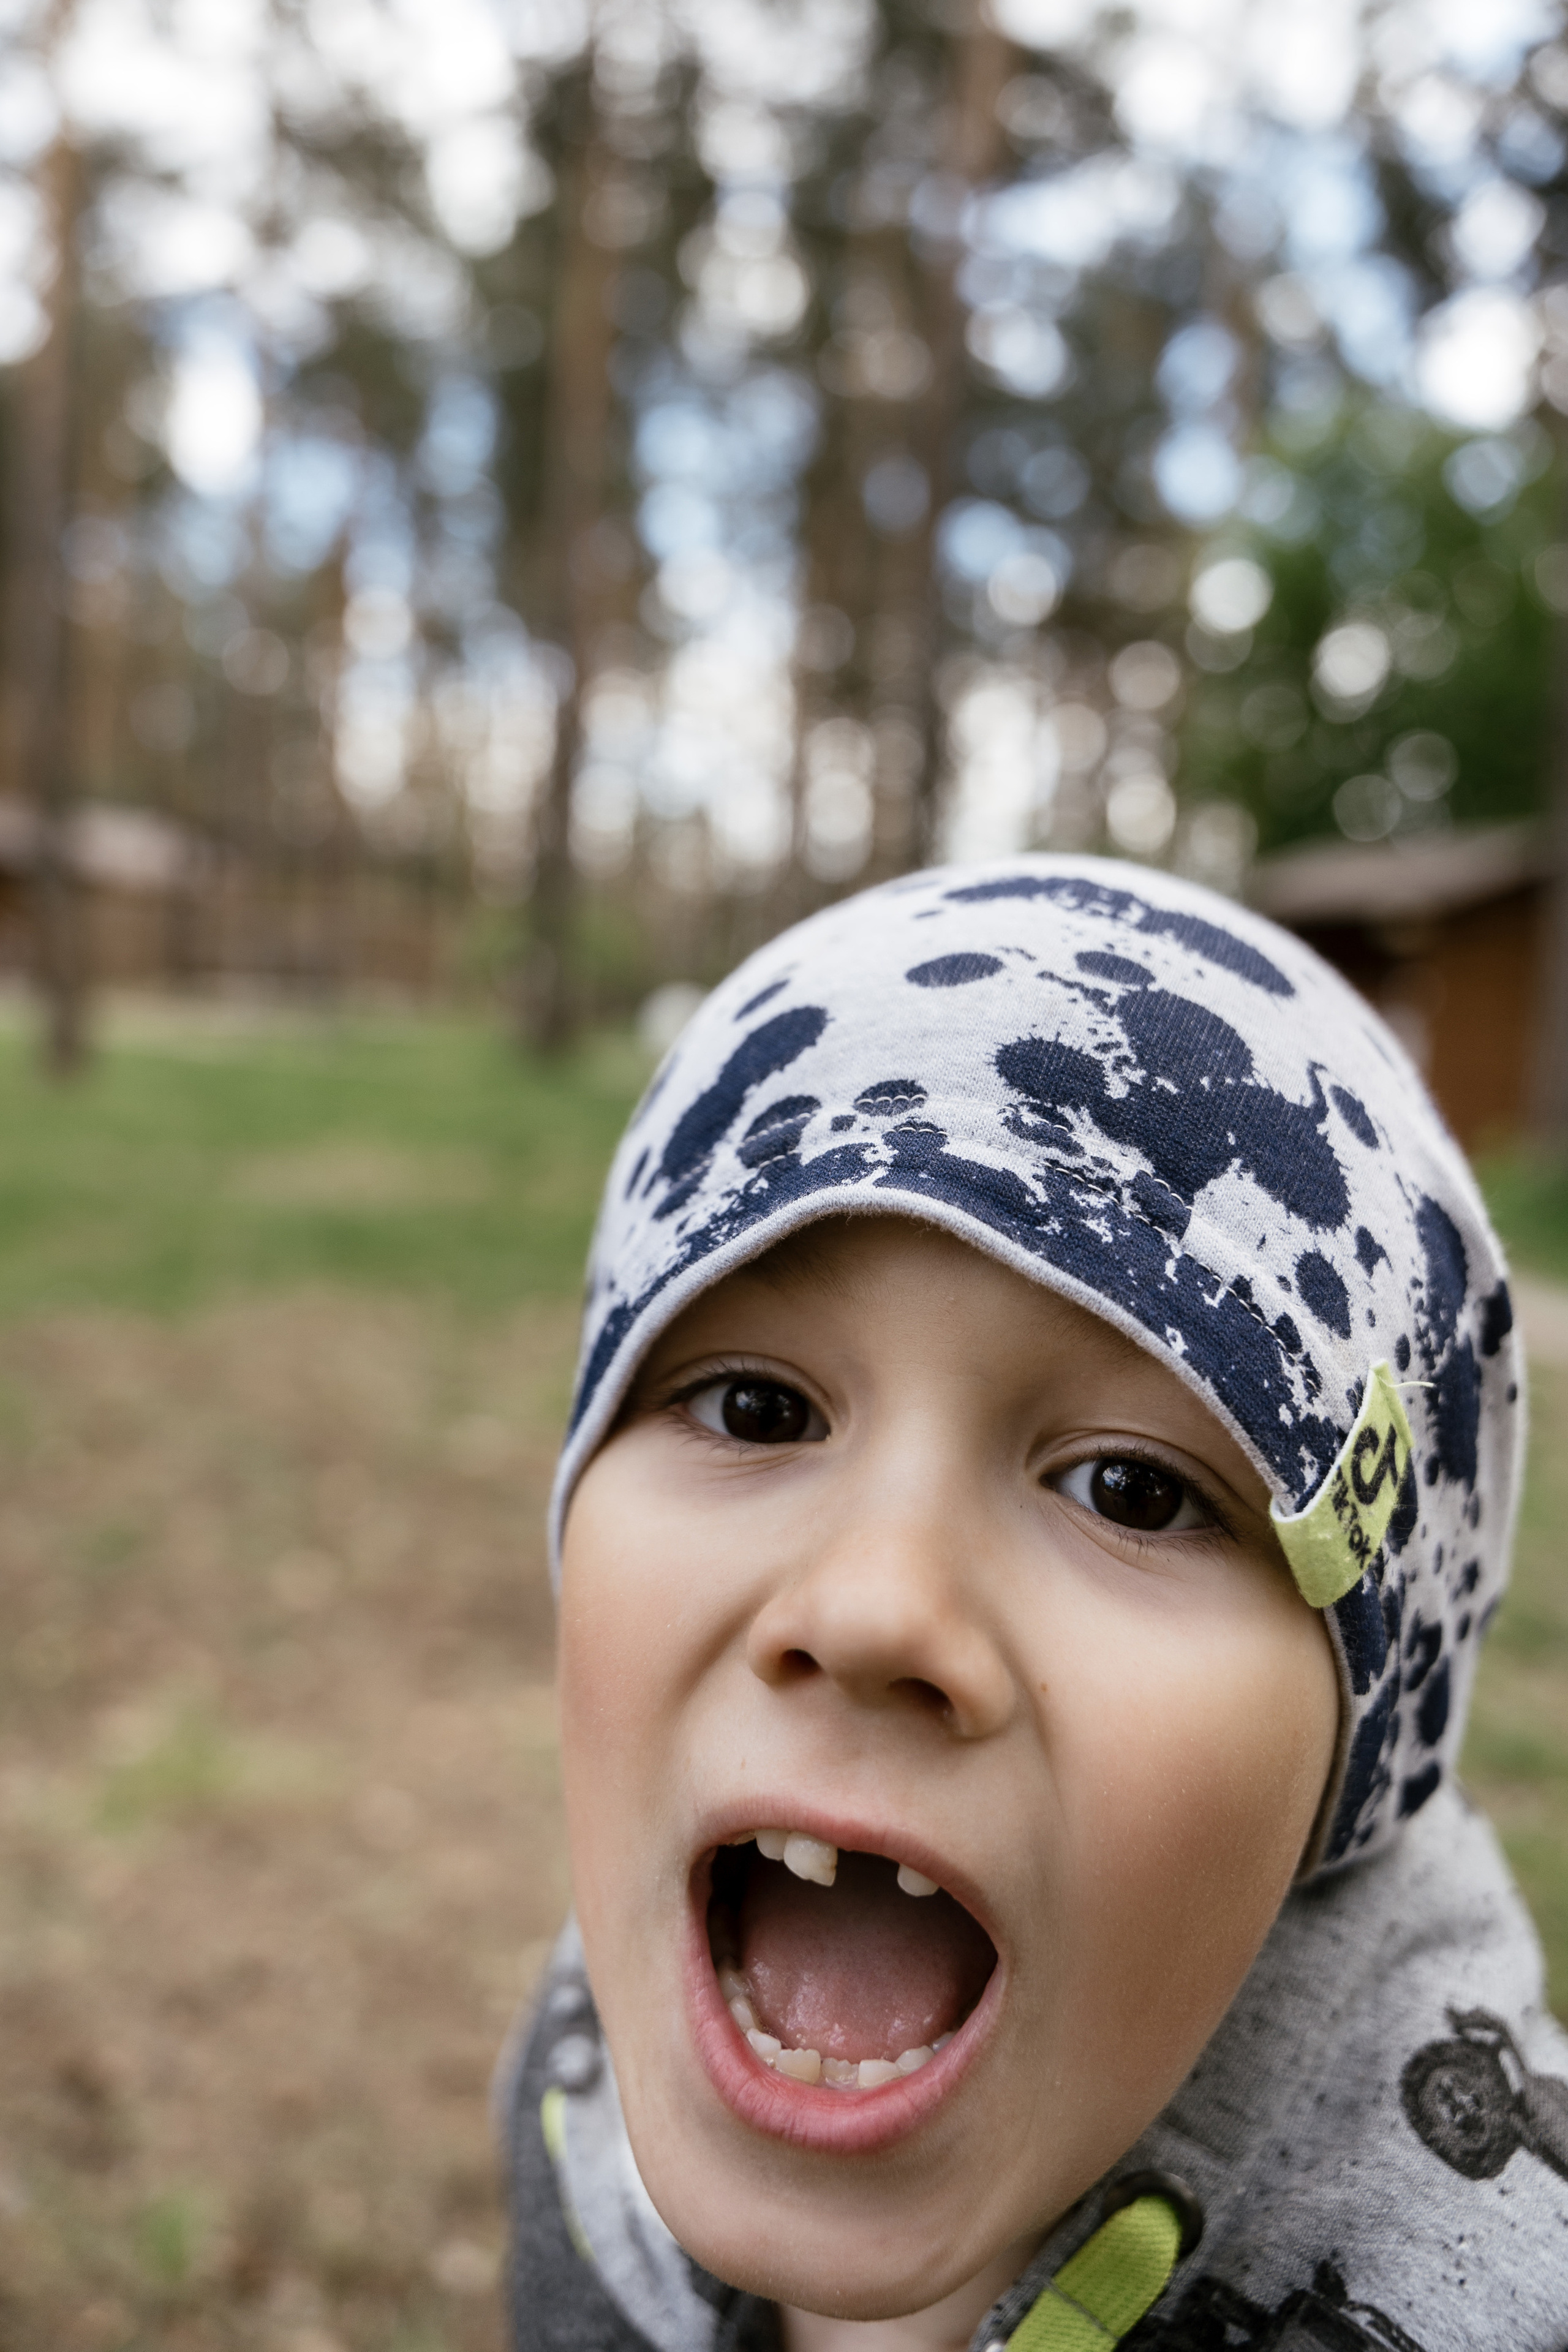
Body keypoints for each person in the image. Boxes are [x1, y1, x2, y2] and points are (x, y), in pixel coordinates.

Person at [498, 855, 1568, 2352]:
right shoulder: (579, 2081)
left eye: (1131, 1491)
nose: (875, 1608)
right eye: (753, 1406)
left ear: (1355, 1758)